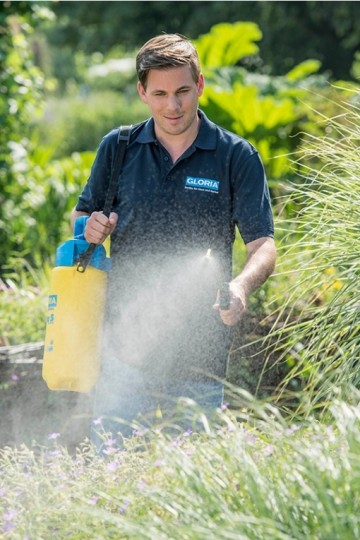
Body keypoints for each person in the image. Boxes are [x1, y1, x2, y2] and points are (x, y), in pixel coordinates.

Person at [71, 34, 276, 445]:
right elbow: (81, 217)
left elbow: (263, 246)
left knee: (195, 485)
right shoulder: (118, 148)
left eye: (183, 91)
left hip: (199, 355)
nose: (173, 106)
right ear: (142, 92)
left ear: (199, 85)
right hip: (124, 349)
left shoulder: (235, 156)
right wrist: (88, 228)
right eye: (160, 93)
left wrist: (240, 286)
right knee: (112, 475)